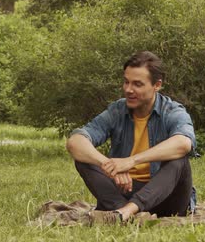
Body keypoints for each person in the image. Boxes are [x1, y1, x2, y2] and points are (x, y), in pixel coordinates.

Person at [66, 51, 196, 224]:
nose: (128, 89)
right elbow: (75, 142)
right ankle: (123, 213)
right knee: (84, 159)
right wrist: (110, 166)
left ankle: (128, 211)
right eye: (126, 82)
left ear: (156, 85)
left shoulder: (172, 111)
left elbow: (183, 143)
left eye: (137, 84)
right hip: (124, 192)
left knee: (179, 160)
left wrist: (131, 161)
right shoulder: (117, 110)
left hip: (167, 199)